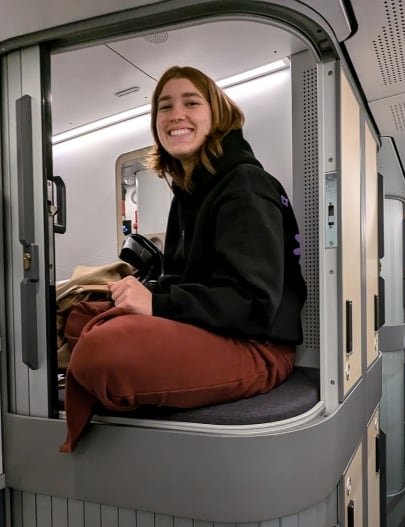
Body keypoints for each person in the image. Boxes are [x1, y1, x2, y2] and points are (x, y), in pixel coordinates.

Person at [60, 65, 307, 452]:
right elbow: (186, 279)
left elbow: (253, 305)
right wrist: (141, 291)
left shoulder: (245, 185)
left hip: (257, 346)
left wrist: (157, 303)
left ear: (217, 116)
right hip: (212, 330)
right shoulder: (188, 196)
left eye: (191, 102)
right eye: (165, 106)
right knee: (80, 316)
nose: (176, 114)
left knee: (100, 351)